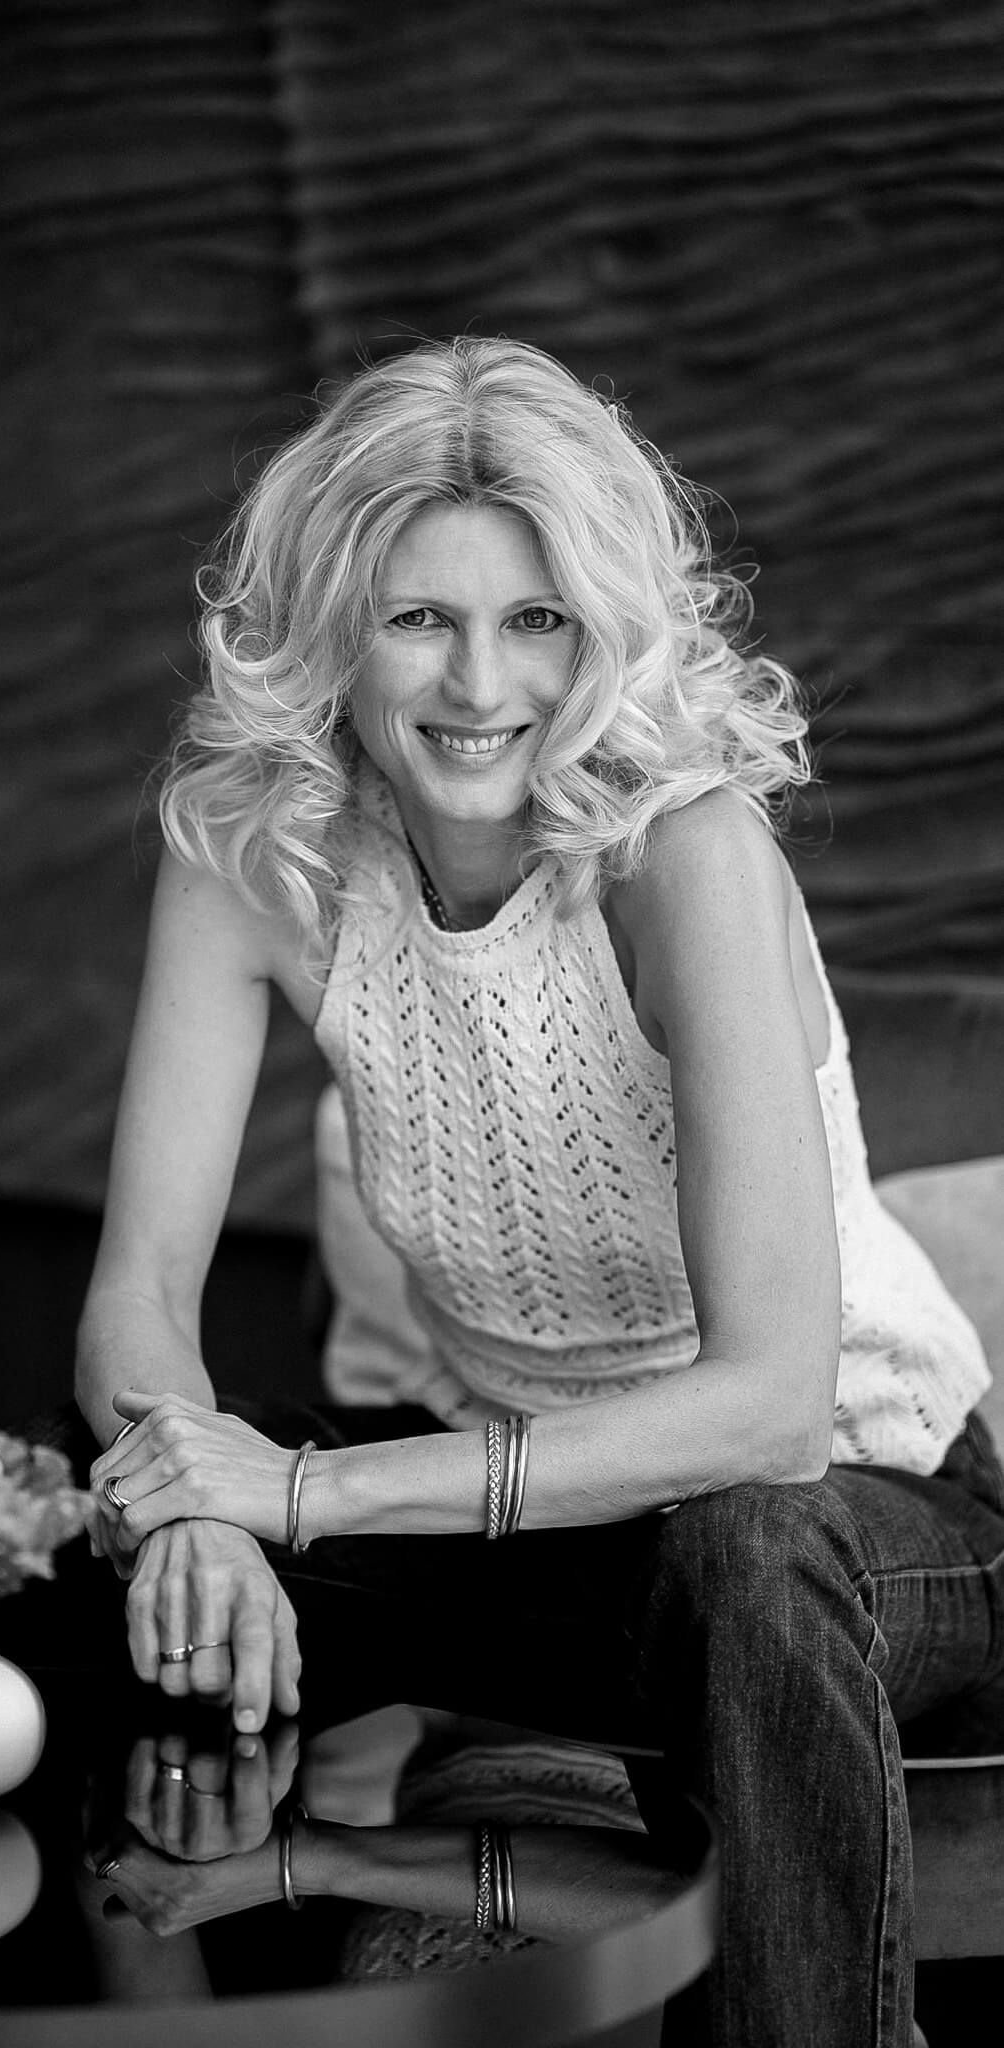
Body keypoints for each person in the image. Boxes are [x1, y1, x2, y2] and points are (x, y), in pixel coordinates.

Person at [69, 338, 1002, 2046]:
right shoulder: (252, 856)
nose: (481, 682)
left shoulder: (685, 854)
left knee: (741, 1551)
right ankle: (173, 1995)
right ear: (333, 626)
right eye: (421, 618)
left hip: (862, 1518)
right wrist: (200, 1505)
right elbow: (137, 1292)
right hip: (558, 1532)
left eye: (540, 619)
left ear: (605, 633)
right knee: (113, 1517)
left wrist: (303, 1495)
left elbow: (771, 1411)